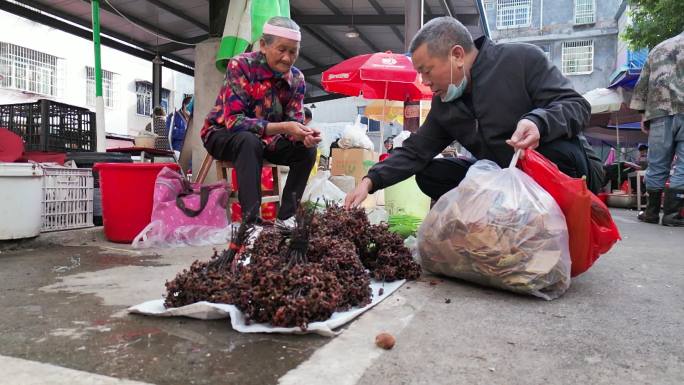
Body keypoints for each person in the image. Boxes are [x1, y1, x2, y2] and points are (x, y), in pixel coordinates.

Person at [345, 17, 602, 208]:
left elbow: (576, 106)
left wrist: (538, 123)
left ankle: (558, 226)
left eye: (427, 70)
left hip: (564, 170)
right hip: (501, 179)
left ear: (457, 55)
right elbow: (415, 150)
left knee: (557, 152)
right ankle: (489, 223)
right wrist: (370, 181)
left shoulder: (522, 60)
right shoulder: (445, 105)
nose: (424, 81)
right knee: (430, 174)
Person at [201, 16, 321, 226]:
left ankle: (286, 219)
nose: (287, 58)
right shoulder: (241, 65)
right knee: (248, 140)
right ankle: (250, 224)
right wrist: (283, 127)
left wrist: (303, 136)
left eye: (293, 52)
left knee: (306, 151)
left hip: (267, 140)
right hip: (222, 134)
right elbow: (234, 122)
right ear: (264, 45)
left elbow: (293, 122)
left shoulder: (297, 79)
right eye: (281, 49)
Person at [630, 31, 684, 226]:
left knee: (657, 164)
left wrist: (643, 115)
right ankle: (673, 215)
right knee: (683, 166)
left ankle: (651, 212)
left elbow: (642, 85)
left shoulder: (658, 49)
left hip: (659, 112)